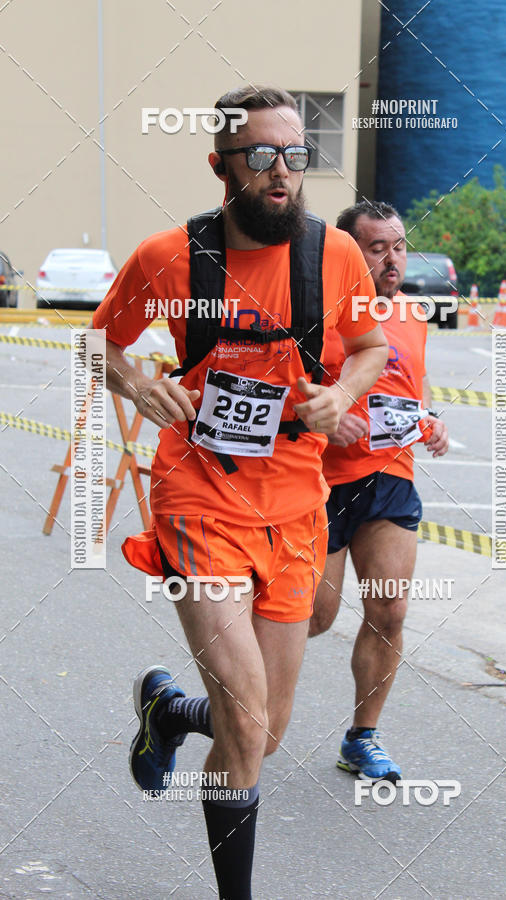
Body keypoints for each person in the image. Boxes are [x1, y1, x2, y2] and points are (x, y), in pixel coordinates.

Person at [91, 87, 388, 899]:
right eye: (260, 156)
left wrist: (343, 396)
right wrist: (138, 386)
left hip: (294, 505)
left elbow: (368, 345)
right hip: (199, 494)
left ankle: (167, 712)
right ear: (222, 165)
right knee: (249, 719)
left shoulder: (335, 257)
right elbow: (99, 346)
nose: (281, 172)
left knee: (263, 732)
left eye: (295, 155)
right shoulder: (169, 258)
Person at [309, 200, 449, 783]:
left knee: (389, 611)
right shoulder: (318, 312)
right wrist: (321, 415)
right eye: (376, 247)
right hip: (320, 482)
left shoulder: (415, 314)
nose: (392, 259)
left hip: (391, 479)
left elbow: (408, 388)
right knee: (311, 617)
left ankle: (362, 738)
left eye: (398, 246)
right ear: (348, 251)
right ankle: (222, 700)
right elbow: (282, 380)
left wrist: (431, 419)